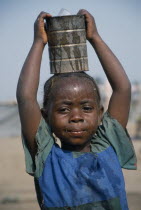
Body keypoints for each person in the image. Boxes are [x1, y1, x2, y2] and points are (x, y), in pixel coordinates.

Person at [16, 9, 137, 210]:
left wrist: (95, 38)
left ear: (100, 113)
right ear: (45, 116)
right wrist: (39, 43)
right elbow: (26, 98)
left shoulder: (108, 146)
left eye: (86, 108)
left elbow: (122, 88)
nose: (76, 117)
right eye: (64, 110)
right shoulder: (47, 157)